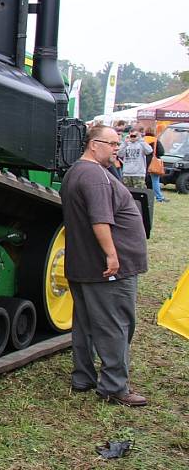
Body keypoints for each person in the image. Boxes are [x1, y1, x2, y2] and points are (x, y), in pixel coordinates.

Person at [59, 124, 148, 407]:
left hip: (84, 265)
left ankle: (83, 377)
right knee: (115, 326)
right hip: (107, 270)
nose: (116, 149)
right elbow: (100, 219)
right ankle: (114, 387)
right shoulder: (96, 176)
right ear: (94, 144)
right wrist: (112, 255)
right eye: (111, 144)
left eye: (117, 144)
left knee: (85, 325)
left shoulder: (75, 172)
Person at [143, 128, 168, 202]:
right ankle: (159, 197)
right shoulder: (155, 140)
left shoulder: (142, 140)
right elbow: (161, 152)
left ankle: (145, 195)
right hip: (153, 163)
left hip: (142, 163)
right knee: (155, 181)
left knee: (143, 181)